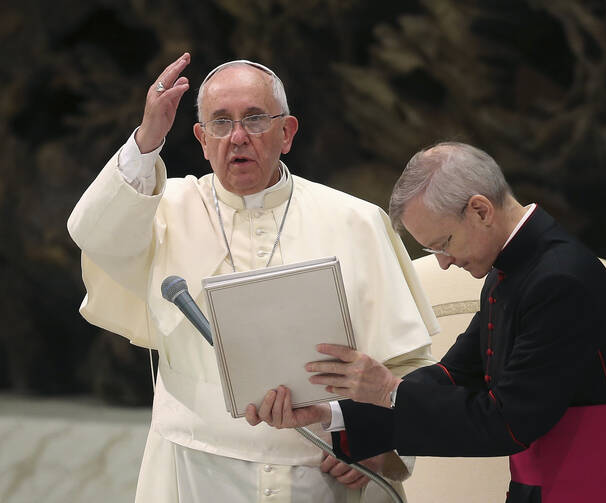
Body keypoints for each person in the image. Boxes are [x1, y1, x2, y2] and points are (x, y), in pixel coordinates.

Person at [67, 53, 438, 503]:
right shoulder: (163, 211)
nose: (237, 137)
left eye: (255, 119)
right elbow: (94, 234)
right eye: (220, 123)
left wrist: (369, 437)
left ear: (287, 133)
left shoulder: (357, 221)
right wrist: (148, 139)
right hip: (195, 469)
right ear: (201, 140)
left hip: (323, 471)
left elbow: (405, 364)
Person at [247, 142, 606, 502]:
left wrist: (390, 391)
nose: (443, 263)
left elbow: (508, 422)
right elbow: (455, 374)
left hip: (596, 491)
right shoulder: (511, 267)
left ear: (480, 210)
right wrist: (333, 412)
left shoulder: (559, 280)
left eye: (443, 244)